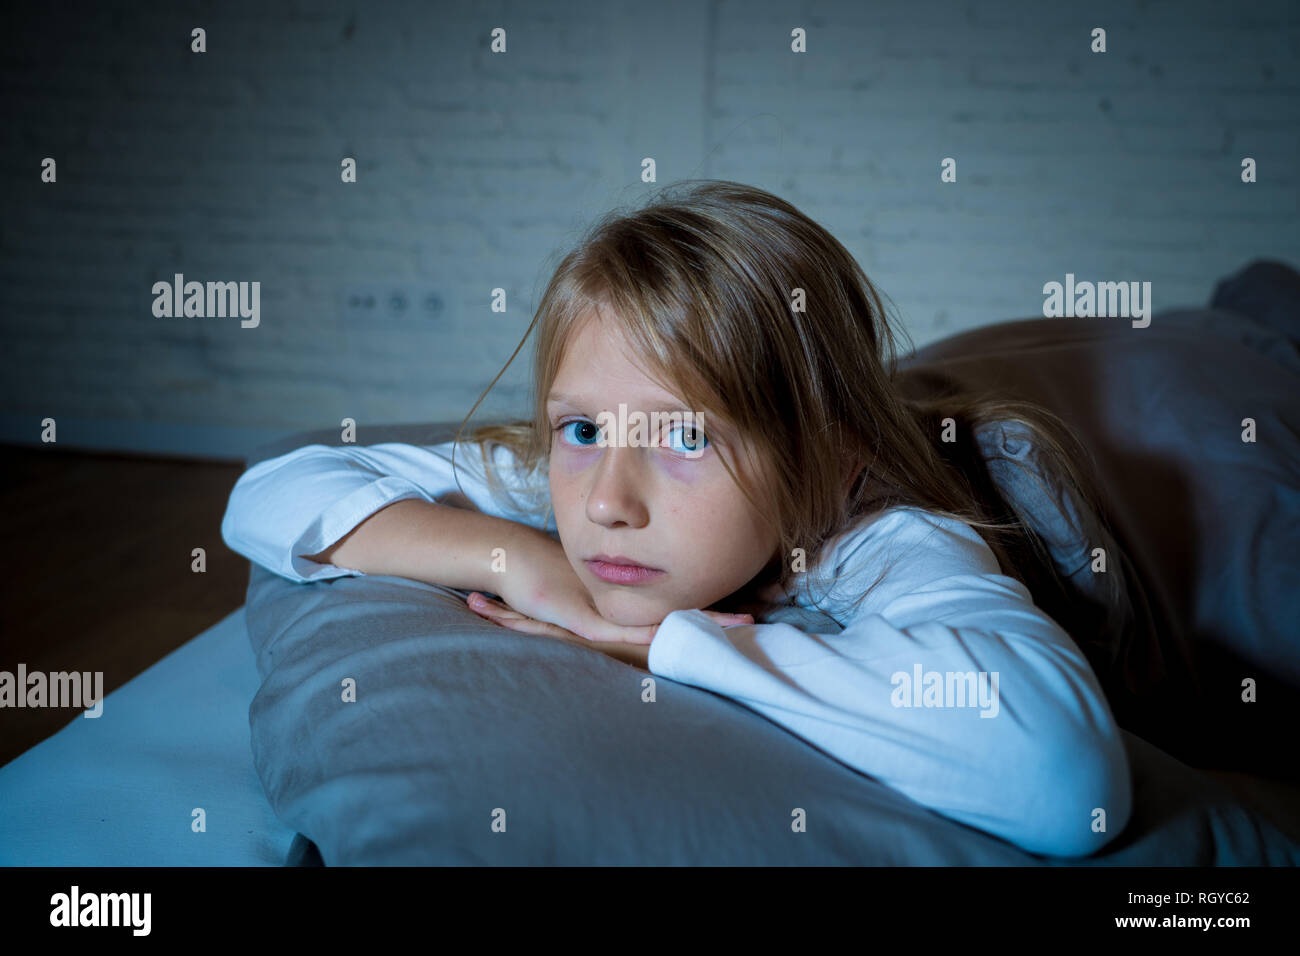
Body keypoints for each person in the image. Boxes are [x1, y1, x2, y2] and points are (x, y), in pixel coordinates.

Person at [222, 180, 1133, 857]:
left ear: (823, 468)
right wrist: (519, 560)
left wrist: (677, 643)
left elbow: (1063, 780)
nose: (609, 502)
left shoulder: (883, 536)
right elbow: (272, 491)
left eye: (687, 437)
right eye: (581, 427)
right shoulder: (568, 486)